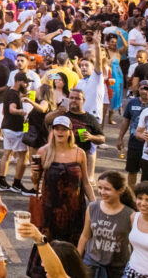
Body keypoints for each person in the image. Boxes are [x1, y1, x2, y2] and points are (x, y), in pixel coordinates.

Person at [29, 116, 94, 278]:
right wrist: (34, 174)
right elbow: (36, 184)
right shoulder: (44, 152)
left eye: (63, 129)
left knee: (70, 252)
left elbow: (85, 183)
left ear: (69, 132)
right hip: (50, 211)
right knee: (47, 247)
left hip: (74, 212)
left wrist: (95, 205)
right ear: (52, 131)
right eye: (56, 128)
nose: (60, 132)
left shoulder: (79, 154)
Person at [76, 171, 135, 278]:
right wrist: (77, 260)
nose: (102, 192)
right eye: (99, 188)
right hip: (91, 264)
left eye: (107, 189)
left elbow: (135, 244)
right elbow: (85, 236)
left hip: (117, 268)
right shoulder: (92, 207)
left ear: (120, 190)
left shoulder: (130, 214)